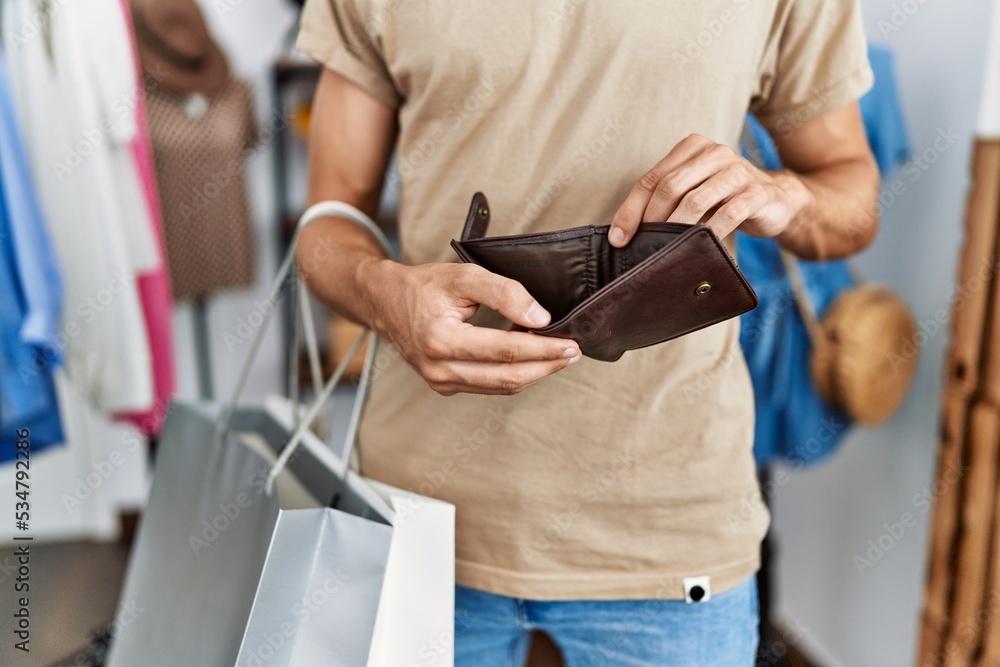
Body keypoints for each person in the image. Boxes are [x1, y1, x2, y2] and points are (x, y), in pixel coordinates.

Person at [295, 1, 879, 664]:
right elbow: (328, 221)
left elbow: (853, 195)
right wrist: (382, 294)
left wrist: (781, 195)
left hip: (668, 528)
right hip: (423, 521)